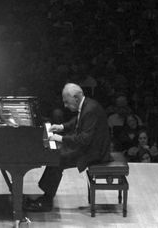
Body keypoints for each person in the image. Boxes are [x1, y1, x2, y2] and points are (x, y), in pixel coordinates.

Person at [28, 83, 109, 212]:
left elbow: (84, 139)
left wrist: (61, 138)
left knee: (58, 159)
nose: (65, 105)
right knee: (56, 156)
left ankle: (46, 201)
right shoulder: (87, 104)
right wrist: (61, 127)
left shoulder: (90, 110)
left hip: (95, 152)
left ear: (76, 98)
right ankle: (47, 196)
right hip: (90, 146)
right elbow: (78, 120)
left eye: (66, 102)